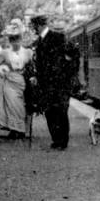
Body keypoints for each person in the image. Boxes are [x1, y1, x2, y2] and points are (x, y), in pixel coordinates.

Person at [28, 14, 73, 150]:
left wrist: (63, 76)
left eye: (34, 26)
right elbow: (40, 64)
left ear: (40, 25)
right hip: (46, 84)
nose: (33, 29)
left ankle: (63, 141)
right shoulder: (39, 42)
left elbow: (69, 58)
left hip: (59, 84)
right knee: (50, 111)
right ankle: (56, 140)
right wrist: (36, 75)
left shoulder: (58, 37)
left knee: (60, 112)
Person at [0, 22, 33, 139]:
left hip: (22, 82)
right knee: (12, 105)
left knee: (21, 107)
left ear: (21, 38)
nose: (15, 41)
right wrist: (1, 69)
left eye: (17, 38)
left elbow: (33, 66)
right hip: (9, 81)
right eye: (12, 38)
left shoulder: (28, 52)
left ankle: (21, 130)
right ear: (9, 39)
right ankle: (14, 130)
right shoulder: (5, 52)